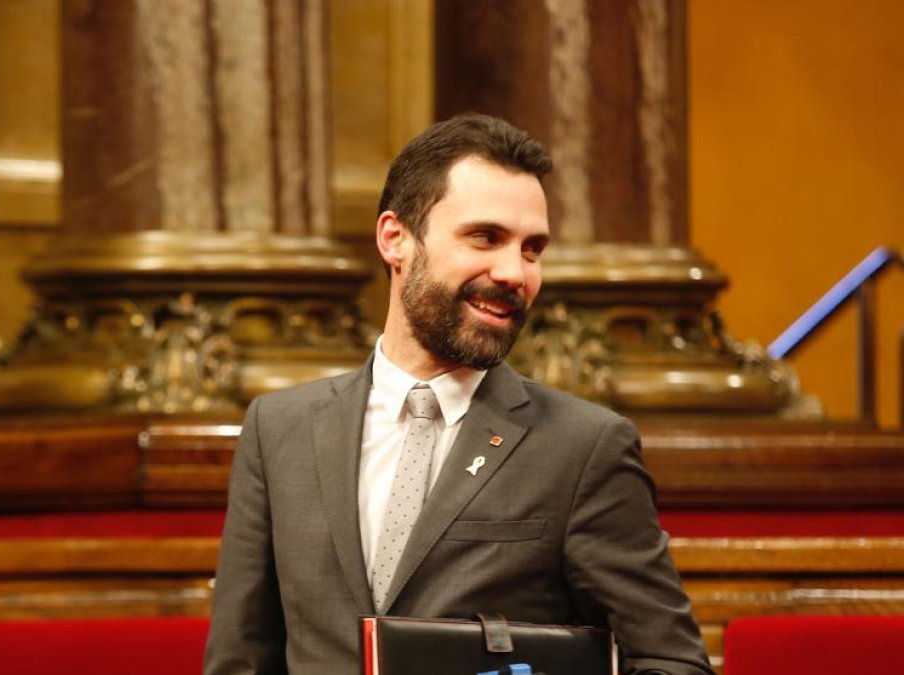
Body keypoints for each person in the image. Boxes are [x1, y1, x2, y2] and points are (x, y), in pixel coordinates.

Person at [204, 113, 713, 675]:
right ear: (395, 239)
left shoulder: (583, 447)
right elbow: (239, 661)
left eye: (532, 248)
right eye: (486, 238)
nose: (515, 272)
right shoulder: (280, 430)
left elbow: (672, 662)